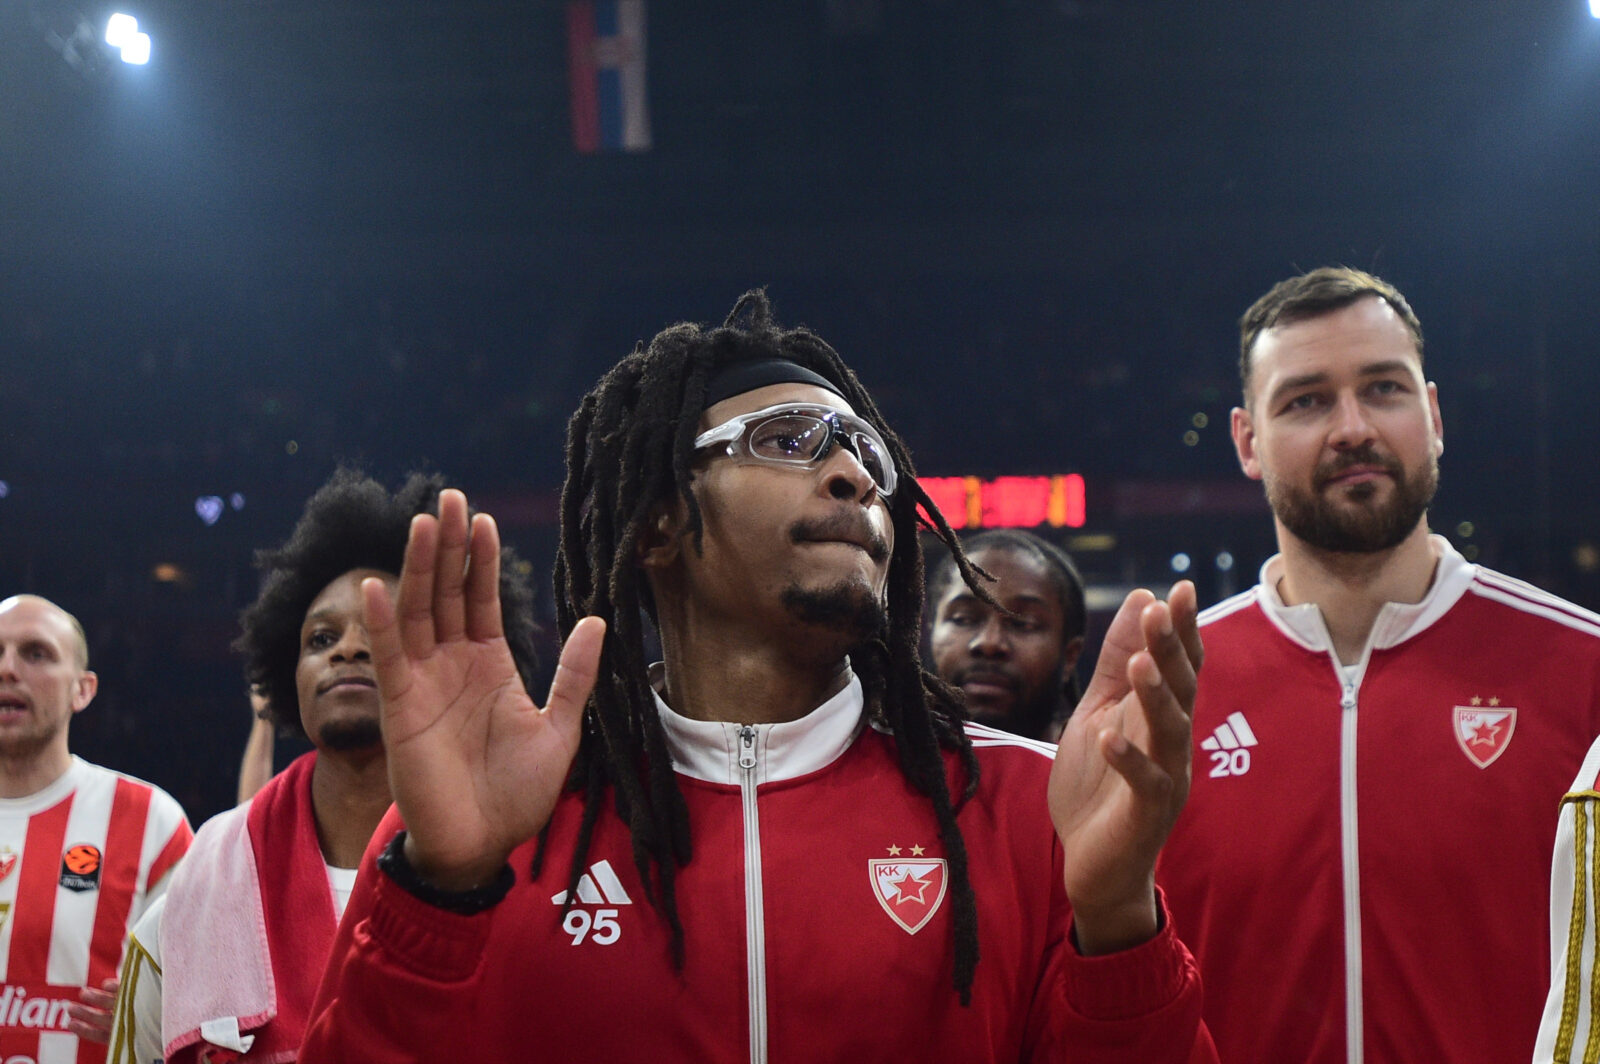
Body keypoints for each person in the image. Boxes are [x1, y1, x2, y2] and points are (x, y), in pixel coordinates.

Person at [301, 291, 1215, 1063]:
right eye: (787, 440)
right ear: (657, 525)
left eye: (865, 452)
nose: (854, 475)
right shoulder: (498, 813)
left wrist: (1118, 922)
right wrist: (439, 893)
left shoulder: (1021, 802)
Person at [1157, 266, 1600, 1064]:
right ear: (1247, 441)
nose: (1352, 428)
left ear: (1433, 415)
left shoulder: (1584, 670)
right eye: (1306, 401)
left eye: (1384, 389)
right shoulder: (1166, 686)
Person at [105, 470, 540, 1064]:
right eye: (320, 638)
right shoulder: (195, 892)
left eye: (385, 630)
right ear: (289, 675)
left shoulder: (535, 873)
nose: (348, 648)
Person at [0, 594, 192, 1064]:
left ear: (82, 690)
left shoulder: (151, 822)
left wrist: (152, 1016)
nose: (7, 669)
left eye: (36, 653)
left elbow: (206, 999)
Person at [929, 529, 1087, 742]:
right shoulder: (886, 757)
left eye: (1023, 623)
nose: (989, 643)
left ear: (1069, 657)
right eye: (963, 619)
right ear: (930, 631)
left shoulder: (1098, 762)